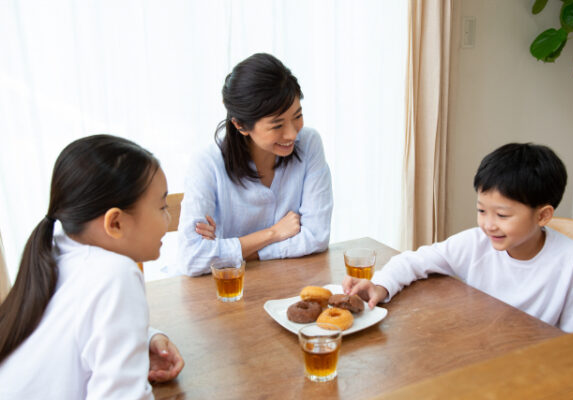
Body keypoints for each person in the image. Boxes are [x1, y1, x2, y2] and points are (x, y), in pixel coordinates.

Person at [343, 143, 573, 333]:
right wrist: (380, 285)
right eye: (481, 210)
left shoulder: (572, 259)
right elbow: (415, 261)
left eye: (502, 215)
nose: (488, 225)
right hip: (479, 351)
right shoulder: (475, 243)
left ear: (543, 216)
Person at [0, 135, 184, 399]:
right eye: (162, 206)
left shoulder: (59, 250)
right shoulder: (115, 274)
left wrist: (145, 338)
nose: (167, 217)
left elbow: (75, 331)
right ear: (116, 223)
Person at [178, 53, 333, 275]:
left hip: (287, 282)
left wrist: (229, 250)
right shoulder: (207, 164)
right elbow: (192, 258)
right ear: (240, 125)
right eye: (277, 125)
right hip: (225, 293)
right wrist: (273, 233)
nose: (292, 133)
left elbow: (316, 238)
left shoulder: (309, 143)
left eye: (297, 116)